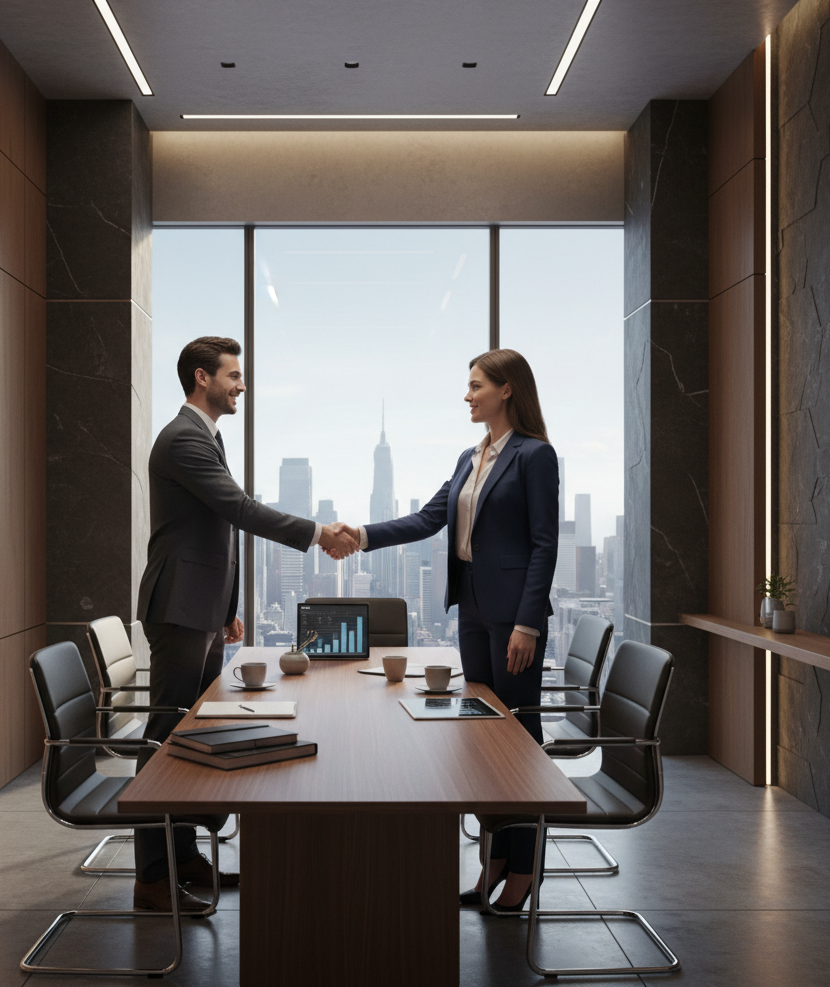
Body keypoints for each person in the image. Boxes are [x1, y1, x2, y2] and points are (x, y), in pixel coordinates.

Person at [133, 336, 358, 913]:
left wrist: (227, 606)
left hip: (199, 606)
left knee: (191, 734)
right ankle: (153, 875)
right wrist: (315, 533)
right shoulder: (184, 438)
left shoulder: (206, 437)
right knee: (167, 736)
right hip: (180, 607)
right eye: (233, 375)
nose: (241, 385)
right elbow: (239, 510)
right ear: (202, 378)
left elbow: (214, 529)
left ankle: (182, 856)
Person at [338, 348, 558, 911]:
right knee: (481, 744)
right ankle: (494, 864)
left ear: (506, 389)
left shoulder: (535, 456)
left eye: (476, 385)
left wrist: (529, 623)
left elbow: (543, 544)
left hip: (514, 621)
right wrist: (361, 535)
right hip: (473, 614)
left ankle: (525, 869)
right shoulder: (470, 456)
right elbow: (428, 518)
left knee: (518, 745)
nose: (467, 395)